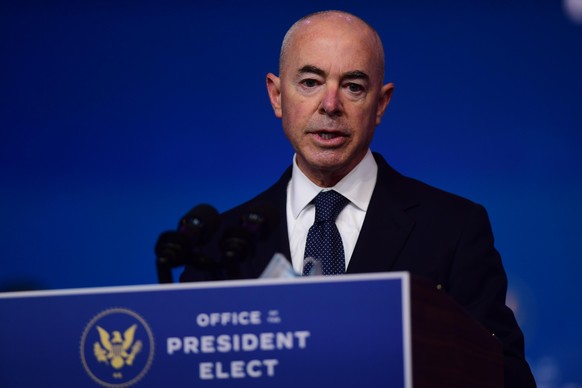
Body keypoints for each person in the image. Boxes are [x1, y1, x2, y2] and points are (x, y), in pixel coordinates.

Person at [181, 10, 536, 386]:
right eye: (310, 82)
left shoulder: (453, 229)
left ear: (381, 103)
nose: (330, 105)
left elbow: (507, 376)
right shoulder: (220, 245)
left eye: (353, 86)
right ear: (276, 95)